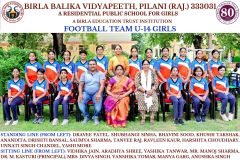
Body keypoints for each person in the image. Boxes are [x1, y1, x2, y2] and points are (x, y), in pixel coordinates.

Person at [78, 59, 105, 125]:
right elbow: (80, 85)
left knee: (98, 109)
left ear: (96, 65)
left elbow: (102, 85)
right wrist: (80, 94)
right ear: (88, 65)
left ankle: (95, 117)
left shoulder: (101, 74)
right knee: (80, 102)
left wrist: (99, 94)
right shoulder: (84, 74)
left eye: (93, 64)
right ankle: (86, 116)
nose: (92, 66)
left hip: (96, 93)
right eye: (90, 64)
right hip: (86, 93)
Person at [135, 60, 158, 125]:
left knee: (154, 98)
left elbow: (156, 84)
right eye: (144, 64)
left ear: (149, 65)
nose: (146, 66)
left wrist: (151, 91)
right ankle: (143, 118)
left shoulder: (153, 73)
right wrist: (145, 91)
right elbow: (137, 84)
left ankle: (152, 117)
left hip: (151, 90)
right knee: (141, 98)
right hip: (141, 90)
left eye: (147, 64)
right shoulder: (138, 73)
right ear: (142, 65)